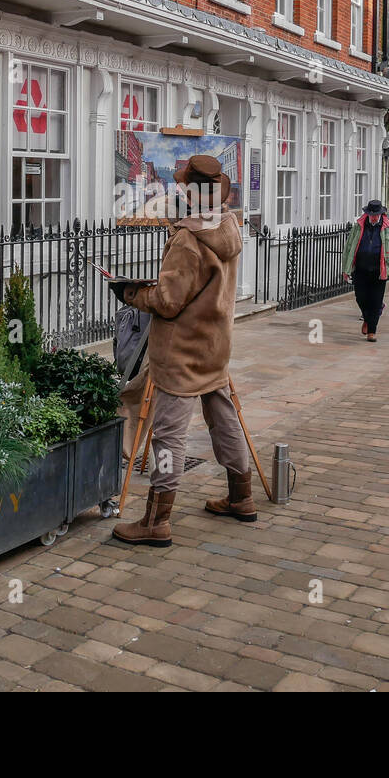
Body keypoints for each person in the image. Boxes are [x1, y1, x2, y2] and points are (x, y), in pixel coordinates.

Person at [108, 155, 250, 548]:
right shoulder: (227, 224)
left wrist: (130, 291)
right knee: (224, 419)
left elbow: (169, 301)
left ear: (190, 191)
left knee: (168, 435)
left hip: (181, 350)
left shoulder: (189, 240)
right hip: (215, 345)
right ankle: (242, 496)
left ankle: (157, 519)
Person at [341, 199, 389, 342]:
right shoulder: (359, 226)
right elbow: (349, 247)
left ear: (381, 214)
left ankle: (372, 331)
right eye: (371, 214)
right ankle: (369, 318)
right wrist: (346, 269)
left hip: (379, 270)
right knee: (360, 297)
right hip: (360, 269)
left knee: (375, 300)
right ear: (367, 213)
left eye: (376, 214)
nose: (374, 217)